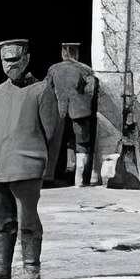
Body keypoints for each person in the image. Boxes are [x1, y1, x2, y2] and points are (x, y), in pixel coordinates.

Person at [0, 39, 62, 279]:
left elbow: (52, 132)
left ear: (27, 59)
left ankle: (31, 267)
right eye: (5, 60)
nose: (10, 65)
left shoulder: (42, 90)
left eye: (14, 59)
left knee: (27, 220)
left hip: (27, 166)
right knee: (0, 220)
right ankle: (1, 268)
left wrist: (47, 169)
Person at [44, 44, 100, 188]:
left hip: (58, 111)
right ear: (76, 53)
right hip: (80, 112)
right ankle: (79, 179)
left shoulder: (53, 69)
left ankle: (49, 176)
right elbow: (91, 91)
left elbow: (45, 91)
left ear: (63, 52)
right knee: (81, 143)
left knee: (54, 141)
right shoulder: (86, 69)